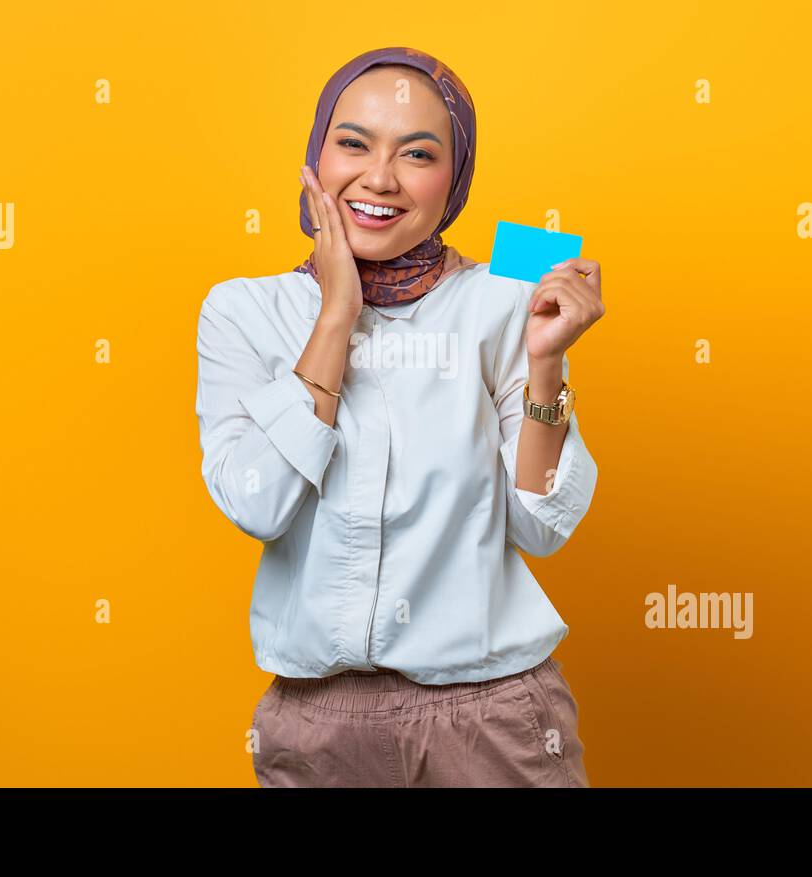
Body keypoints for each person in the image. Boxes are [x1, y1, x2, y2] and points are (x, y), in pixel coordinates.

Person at [195, 47, 605, 786]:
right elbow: (256, 503)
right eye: (353, 143)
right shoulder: (244, 310)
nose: (379, 178)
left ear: (455, 182)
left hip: (494, 718)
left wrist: (546, 363)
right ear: (316, 154)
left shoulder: (502, 298)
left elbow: (542, 526)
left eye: (417, 154)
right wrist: (336, 317)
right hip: (316, 727)